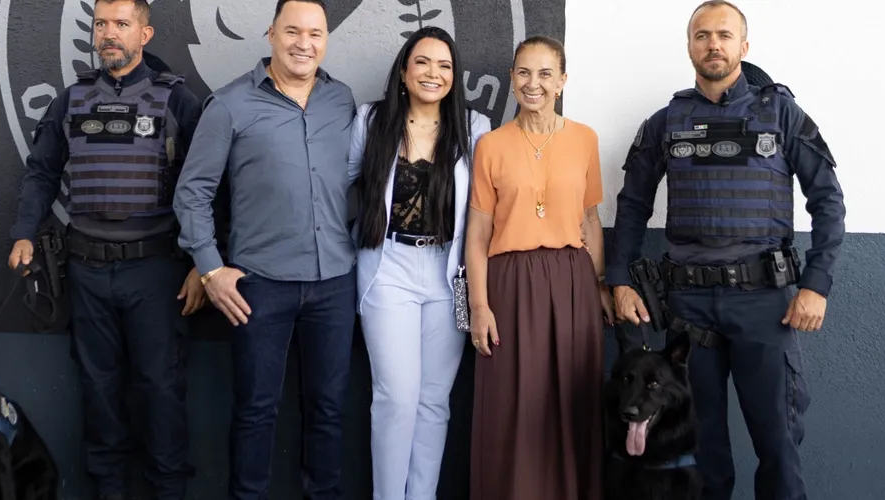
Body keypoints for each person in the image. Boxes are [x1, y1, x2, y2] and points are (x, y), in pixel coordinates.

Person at [606, 2, 846, 500]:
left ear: (744, 46)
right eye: (702, 35)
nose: (713, 43)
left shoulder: (780, 112)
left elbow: (828, 199)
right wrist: (620, 279)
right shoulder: (666, 120)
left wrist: (817, 285)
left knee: (778, 444)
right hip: (689, 310)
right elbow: (631, 206)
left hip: (765, 306)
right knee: (701, 448)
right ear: (689, 45)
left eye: (724, 34)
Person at [7, 1, 204, 499]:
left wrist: (204, 266)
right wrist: (25, 231)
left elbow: (207, 189)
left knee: (161, 395)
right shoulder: (71, 101)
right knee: (99, 396)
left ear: (145, 32)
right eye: (101, 24)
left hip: (156, 273)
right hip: (88, 272)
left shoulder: (177, 101)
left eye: (121, 24)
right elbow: (42, 172)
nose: (109, 33)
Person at [170, 1, 357, 498]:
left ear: (326, 39)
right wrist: (210, 270)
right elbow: (192, 193)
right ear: (271, 33)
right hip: (260, 287)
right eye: (292, 31)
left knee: (329, 410)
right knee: (255, 411)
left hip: (335, 282)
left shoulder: (342, 101)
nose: (304, 43)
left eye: (315, 33)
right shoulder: (230, 104)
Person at [464, 35, 613, 500]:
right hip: (509, 284)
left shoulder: (585, 139)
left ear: (562, 81)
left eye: (546, 74)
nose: (534, 84)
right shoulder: (490, 144)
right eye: (524, 72)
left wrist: (601, 284)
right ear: (512, 78)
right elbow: (478, 234)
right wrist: (479, 305)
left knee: (571, 401)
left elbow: (590, 220)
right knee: (513, 404)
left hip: (572, 282)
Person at [349, 26, 492, 499]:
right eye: (424, 63)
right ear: (404, 72)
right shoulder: (371, 120)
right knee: (396, 399)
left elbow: (487, 205)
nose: (434, 73)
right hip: (388, 268)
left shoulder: (473, 129)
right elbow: (341, 183)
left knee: (434, 402)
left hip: (447, 272)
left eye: (445, 65)